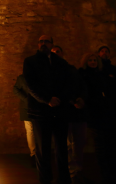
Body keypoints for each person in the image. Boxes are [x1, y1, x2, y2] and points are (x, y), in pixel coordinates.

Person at [23, 35, 73, 184]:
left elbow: (67, 84)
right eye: (41, 41)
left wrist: (59, 99)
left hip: (59, 111)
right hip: (40, 112)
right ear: (38, 44)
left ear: (52, 44)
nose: (43, 43)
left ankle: (64, 179)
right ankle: (45, 180)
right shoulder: (30, 61)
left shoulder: (61, 63)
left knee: (61, 148)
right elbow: (30, 85)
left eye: (46, 41)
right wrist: (47, 100)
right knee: (43, 150)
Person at [78, 53, 116, 183]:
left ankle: (113, 171)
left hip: (106, 111)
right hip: (94, 111)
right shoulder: (83, 74)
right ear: (86, 62)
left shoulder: (101, 73)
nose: (92, 62)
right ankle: (105, 172)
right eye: (90, 60)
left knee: (110, 142)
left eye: (94, 60)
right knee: (100, 143)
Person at [51, 46, 87, 180]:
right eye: (52, 52)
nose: (55, 53)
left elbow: (81, 85)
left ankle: (77, 170)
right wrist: (70, 100)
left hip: (75, 111)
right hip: (62, 111)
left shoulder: (71, 69)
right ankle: (71, 172)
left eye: (57, 51)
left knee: (78, 142)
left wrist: (81, 98)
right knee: (66, 144)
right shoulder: (49, 71)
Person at [13, 74, 36, 165]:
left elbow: (16, 89)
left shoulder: (23, 77)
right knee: (31, 131)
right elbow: (15, 89)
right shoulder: (23, 77)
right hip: (28, 107)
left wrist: (26, 99)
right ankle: (34, 154)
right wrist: (26, 99)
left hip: (31, 107)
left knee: (31, 131)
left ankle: (34, 154)